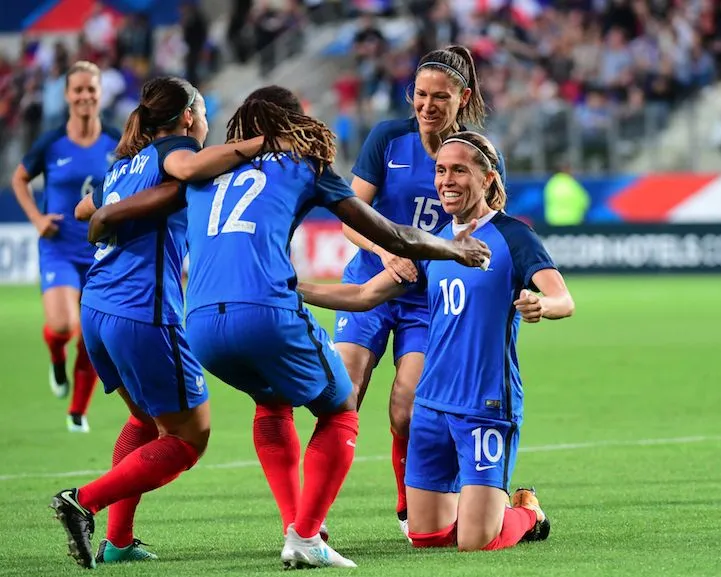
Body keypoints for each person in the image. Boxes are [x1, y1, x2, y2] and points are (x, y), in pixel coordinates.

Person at [87, 85, 491, 569]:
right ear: (291, 124)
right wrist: (454, 249)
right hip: (263, 311)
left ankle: (292, 526)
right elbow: (391, 232)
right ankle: (305, 535)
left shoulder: (203, 173)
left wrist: (101, 211)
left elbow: (121, 205)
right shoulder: (304, 164)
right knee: (341, 407)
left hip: (199, 326)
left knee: (271, 401)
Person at [298, 131, 575, 552]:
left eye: (460, 170)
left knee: (476, 542)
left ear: (487, 179)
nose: (447, 180)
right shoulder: (434, 246)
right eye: (441, 170)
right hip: (430, 406)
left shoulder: (514, 237)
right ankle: (484, 509)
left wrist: (542, 304)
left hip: (485, 406)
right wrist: (291, 288)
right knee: (427, 539)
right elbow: (363, 295)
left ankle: (527, 512)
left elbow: (563, 298)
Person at [49, 76, 276, 569]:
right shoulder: (173, 149)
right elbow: (191, 165)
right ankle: (83, 501)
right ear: (190, 116)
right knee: (188, 438)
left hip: (99, 309)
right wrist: (265, 140)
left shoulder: (124, 163)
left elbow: (88, 209)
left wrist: (98, 209)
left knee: (144, 421)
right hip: (143, 312)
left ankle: (118, 543)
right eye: (205, 112)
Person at [337, 45, 506, 537]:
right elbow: (349, 216)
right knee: (343, 393)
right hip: (371, 278)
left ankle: (409, 504)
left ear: (463, 98)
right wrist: (387, 251)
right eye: (420, 94)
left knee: (407, 408)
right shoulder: (388, 139)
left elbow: (489, 230)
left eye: (440, 97)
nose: (427, 105)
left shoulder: (474, 156)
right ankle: (310, 523)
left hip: (429, 301)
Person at [10, 61, 121, 433]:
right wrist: (37, 220)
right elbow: (20, 178)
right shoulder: (52, 142)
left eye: (92, 89)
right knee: (61, 325)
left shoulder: (116, 143)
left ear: (100, 93)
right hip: (58, 247)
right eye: (79, 90)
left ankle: (77, 411)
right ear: (67, 95)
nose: (86, 96)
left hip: (100, 252)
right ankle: (57, 360)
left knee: (92, 337)